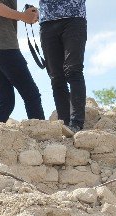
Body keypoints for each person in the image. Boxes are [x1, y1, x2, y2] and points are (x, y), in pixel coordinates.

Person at [0, 0, 45, 125]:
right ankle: (40, 136)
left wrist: (25, 15)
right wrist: (23, 16)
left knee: (6, 101)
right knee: (32, 95)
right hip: (3, 46)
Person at [39, 0, 87, 134]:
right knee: (56, 77)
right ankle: (65, 124)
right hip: (47, 22)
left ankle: (76, 123)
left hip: (74, 18)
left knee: (73, 70)